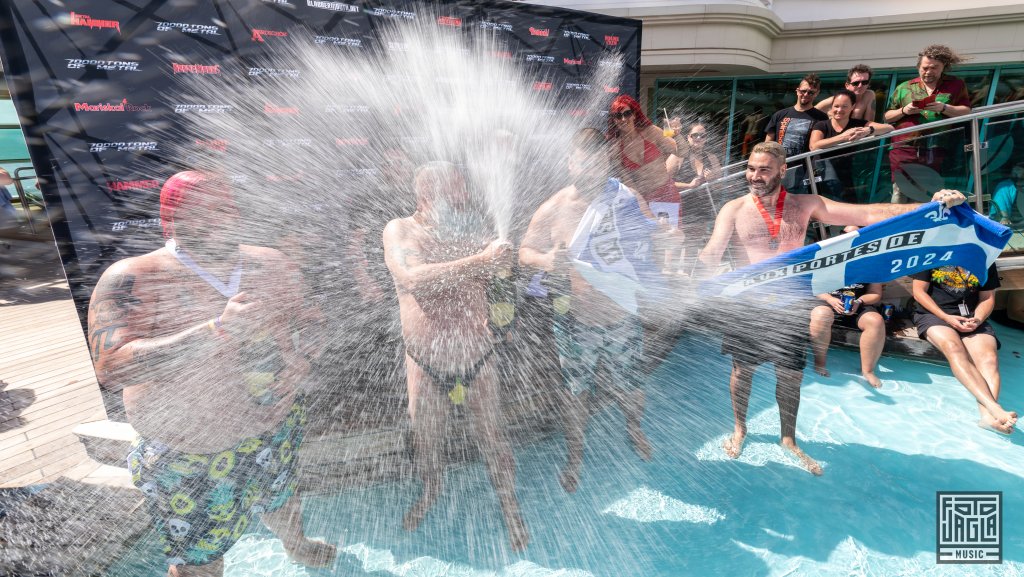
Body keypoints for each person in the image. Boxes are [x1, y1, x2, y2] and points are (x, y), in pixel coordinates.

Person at [87, 171, 335, 577]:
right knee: (199, 561)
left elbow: (312, 321)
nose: (220, 218)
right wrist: (216, 330)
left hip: (274, 426)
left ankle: (297, 545)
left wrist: (302, 363)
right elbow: (112, 368)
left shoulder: (272, 263)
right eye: (200, 211)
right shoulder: (133, 277)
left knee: (281, 496)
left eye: (225, 207)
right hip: (192, 450)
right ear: (171, 221)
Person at [697, 141, 968, 475]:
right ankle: (740, 428)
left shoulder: (805, 204)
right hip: (748, 307)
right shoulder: (734, 209)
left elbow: (868, 214)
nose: (755, 176)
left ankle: (788, 438)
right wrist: (704, 264)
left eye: (764, 169)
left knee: (791, 376)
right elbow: (712, 251)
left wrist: (930, 207)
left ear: (783, 170)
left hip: (789, 305)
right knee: (743, 373)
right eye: (751, 168)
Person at [382, 161, 528, 551]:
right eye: (456, 191)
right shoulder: (400, 230)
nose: (464, 198)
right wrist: (481, 261)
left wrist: (502, 274)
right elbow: (412, 277)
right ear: (427, 196)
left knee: (494, 438)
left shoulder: (472, 230)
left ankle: (509, 504)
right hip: (425, 364)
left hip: (478, 359)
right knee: (427, 441)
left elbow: (498, 283)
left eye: (464, 190)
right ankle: (432, 490)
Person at [519, 128, 654, 493]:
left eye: (597, 160)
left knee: (632, 385)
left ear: (605, 161)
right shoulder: (554, 208)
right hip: (575, 323)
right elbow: (524, 252)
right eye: (583, 159)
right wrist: (547, 259)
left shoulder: (625, 199)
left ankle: (634, 427)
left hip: (622, 316)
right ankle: (575, 455)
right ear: (570, 161)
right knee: (577, 393)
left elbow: (648, 245)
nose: (590, 167)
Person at [911, 264, 1017, 434]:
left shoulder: (984, 257)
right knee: (953, 348)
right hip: (934, 315)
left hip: (971, 317)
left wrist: (978, 318)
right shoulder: (933, 253)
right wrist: (946, 317)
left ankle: (987, 418)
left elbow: (987, 297)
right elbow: (918, 292)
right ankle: (994, 408)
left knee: (989, 358)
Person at [884, 44, 972, 204]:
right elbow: (888, 116)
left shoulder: (955, 85)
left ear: (943, 67)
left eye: (934, 68)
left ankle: (924, 224)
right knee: (900, 191)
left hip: (935, 146)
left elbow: (966, 111)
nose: (928, 72)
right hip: (904, 147)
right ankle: (899, 225)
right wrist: (904, 110)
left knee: (928, 190)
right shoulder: (904, 87)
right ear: (918, 66)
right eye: (925, 68)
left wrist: (944, 107)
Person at [607, 95, 679, 271]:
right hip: (644, 200)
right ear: (614, 120)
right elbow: (629, 184)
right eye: (618, 116)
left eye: (627, 113)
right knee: (650, 248)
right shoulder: (616, 149)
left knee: (669, 247)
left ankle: (670, 286)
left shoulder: (651, 131)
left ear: (634, 114)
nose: (623, 119)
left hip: (667, 195)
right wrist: (644, 211)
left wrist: (672, 134)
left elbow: (676, 149)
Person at [809, 89, 894, 202]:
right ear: (831, 107)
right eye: (836, 106)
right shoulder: (822, 125)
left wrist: (868, 130)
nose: (839, 110)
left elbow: (889, 128)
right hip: (823, 176)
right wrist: (843, 137)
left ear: (852, 107)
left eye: (844, 106)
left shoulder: (857, 124)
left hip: (847, 176)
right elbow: (814, 146)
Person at [809, 278, 886, 388]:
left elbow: (876, 293)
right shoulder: (824, 260)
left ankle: (868, 371)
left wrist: (859, 302)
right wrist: (829, 298)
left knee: (876, 321)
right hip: (827, 302)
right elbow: (812, 286)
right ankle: (819, 364)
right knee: (821, 315)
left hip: (858, 305)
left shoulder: (871, 262)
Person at [667, 122, 722, 273]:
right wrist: (688, 185)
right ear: (688, 137)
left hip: (700, 210)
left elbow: (719, 187)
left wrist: (712, 179)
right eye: (694, 135)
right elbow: (663, 183)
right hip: (680, 209)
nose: (698, 138)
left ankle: (686, 279)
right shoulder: (678, 156)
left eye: (702, 135)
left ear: (706, 138)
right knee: (675, 245)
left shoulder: (711, 158)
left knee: (692, 247)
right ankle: (670, 279)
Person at [764, 73, 828, 194]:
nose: (806, 95)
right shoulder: (780, 115)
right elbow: (767, 144)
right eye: (803, 91)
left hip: (804, 173)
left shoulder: (822, 118)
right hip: (779, 170)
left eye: (811, 92)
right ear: (797, 91)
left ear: (817, 93)